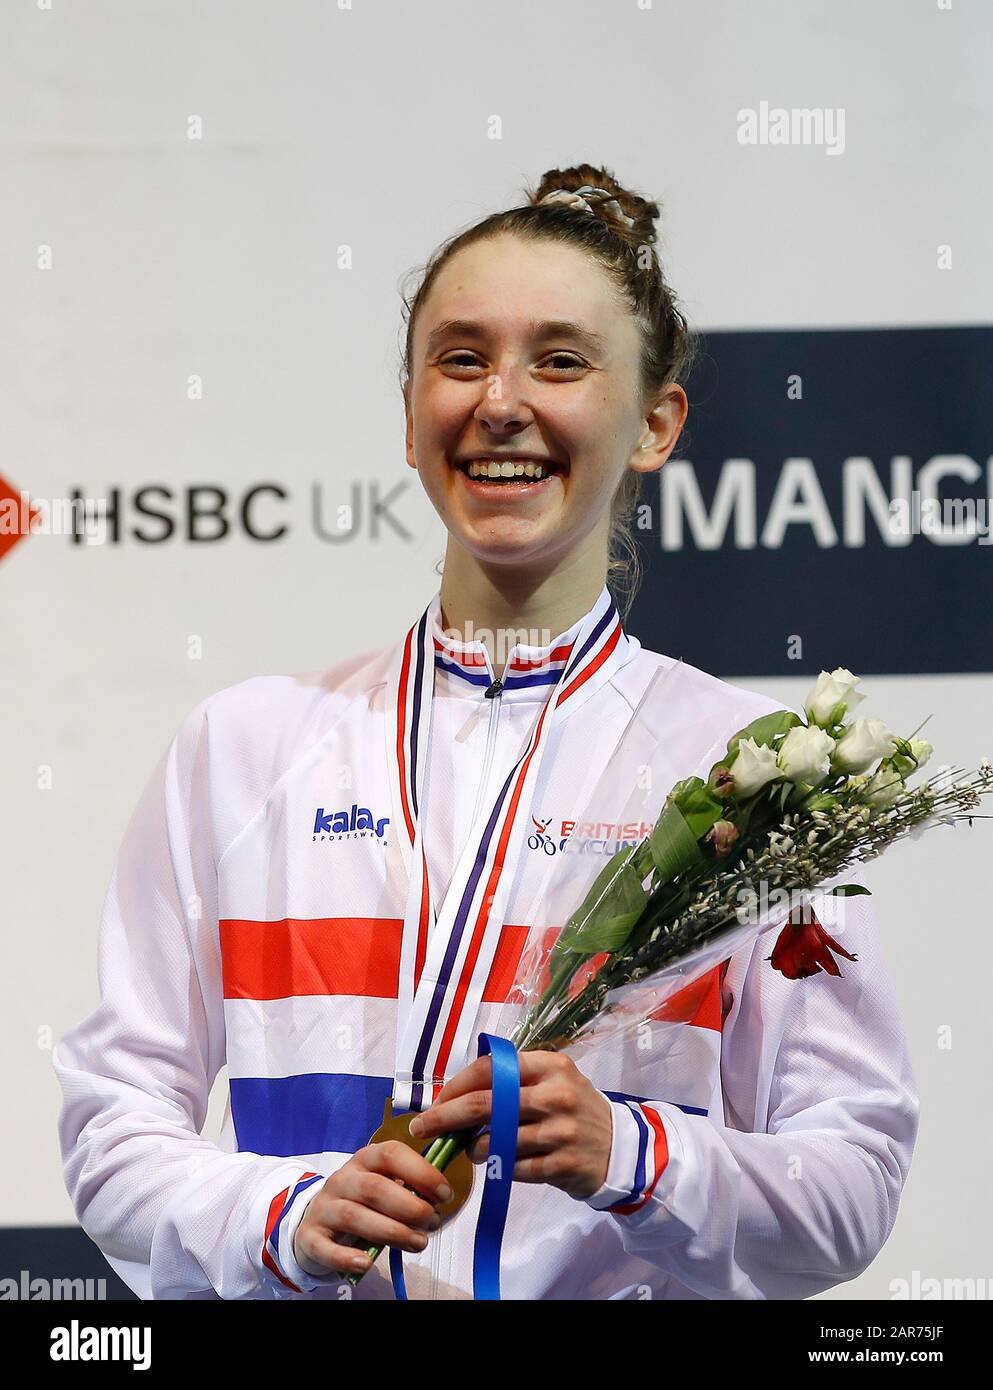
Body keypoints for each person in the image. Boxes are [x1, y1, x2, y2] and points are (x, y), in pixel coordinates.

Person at [53, 163, 919, 1301]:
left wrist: (637, 1157)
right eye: (462, 358)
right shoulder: (245, 748)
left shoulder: (751, 773)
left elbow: (849, 1182)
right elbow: (114, 1128)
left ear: (656, 423)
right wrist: (279, 1213)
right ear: (410, 414)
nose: (501, 399)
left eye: (560, 359)